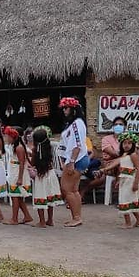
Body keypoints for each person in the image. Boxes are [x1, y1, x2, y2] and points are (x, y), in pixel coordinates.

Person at [99, 132, 139, 228]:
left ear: (133, 145)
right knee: (129, 200)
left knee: (125, 200)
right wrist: (118, 180)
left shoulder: (133, 155)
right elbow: (121, 168)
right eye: (124, 143)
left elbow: (138, 169)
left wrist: (136, 183)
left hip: (131, 180)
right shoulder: (124, 155)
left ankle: (128, 223)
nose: (126, 145)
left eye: (129, 143)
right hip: (124, 180)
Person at [58, 97, 89, 227]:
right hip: (77, 158)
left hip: (77, 159)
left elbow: (77, 144)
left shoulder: (77, 124)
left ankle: (76, 217)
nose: (64, 110)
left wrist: (71, 162)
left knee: (67, 189)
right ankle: (77, 216)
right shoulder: (74, 124)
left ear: (73, 109)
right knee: (74, 190)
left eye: (66, 108)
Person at [81, 117, 125, 201]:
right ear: (113, 127)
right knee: (120, 163)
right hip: (110, 166)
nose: (118, 126)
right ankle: (121, 198)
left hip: (124, 166)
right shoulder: (106, 139)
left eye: (120, 124)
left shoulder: (129, 138)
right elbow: (113, 153)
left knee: (122, 164)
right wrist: (124, 154)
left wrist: (120, 156)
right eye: (116, 125)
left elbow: (134, 153)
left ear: (125, 127)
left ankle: (122, 196)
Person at [28, 126, 63, 227]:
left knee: (40, 197)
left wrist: (28, 157)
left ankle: (42, 221)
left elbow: (33, 163)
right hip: (51, 174)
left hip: (41, 176)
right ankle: (50, 220)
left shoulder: (35, 150)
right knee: (49, 197)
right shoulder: (50, 148)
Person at [3, 126, 33, 225]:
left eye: (8, 136)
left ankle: (14, 218)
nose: (6, 138)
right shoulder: (14, 146)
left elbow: (22, 163)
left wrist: (20, 178)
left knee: (15, 196)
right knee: (18, 197)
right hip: (14, 171)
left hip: (18, 173)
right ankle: (27, 216)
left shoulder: (19, 148)